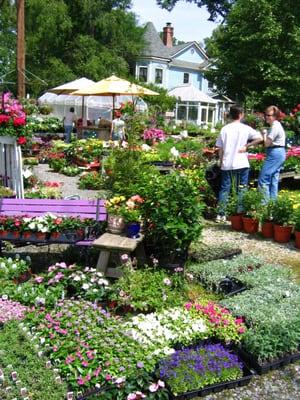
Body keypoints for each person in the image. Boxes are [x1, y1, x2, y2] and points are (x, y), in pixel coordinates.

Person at [215, 105, 263, 222]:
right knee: (241, 188)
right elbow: (260, 138)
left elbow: (220, 148)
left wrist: (221, 161)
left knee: (225, 189)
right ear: (241, 115)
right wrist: (247, 146)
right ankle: (240, 213)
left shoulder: (225, 129)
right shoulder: (245, 128)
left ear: (230, 115)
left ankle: (221, 214)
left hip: (227, 163)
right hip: (241, 162)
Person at [258, 105, 286, 201]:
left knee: (263, 179)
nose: (266, 117)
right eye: (266, 115)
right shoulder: (276, 125)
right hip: (278, 152)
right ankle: (272, 207)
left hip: (275, 153)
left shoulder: (275, 126)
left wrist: (264, 133)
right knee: (274, 179)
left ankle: (264, 206)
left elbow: (266, 144)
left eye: (269, 115)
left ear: (275, 116)